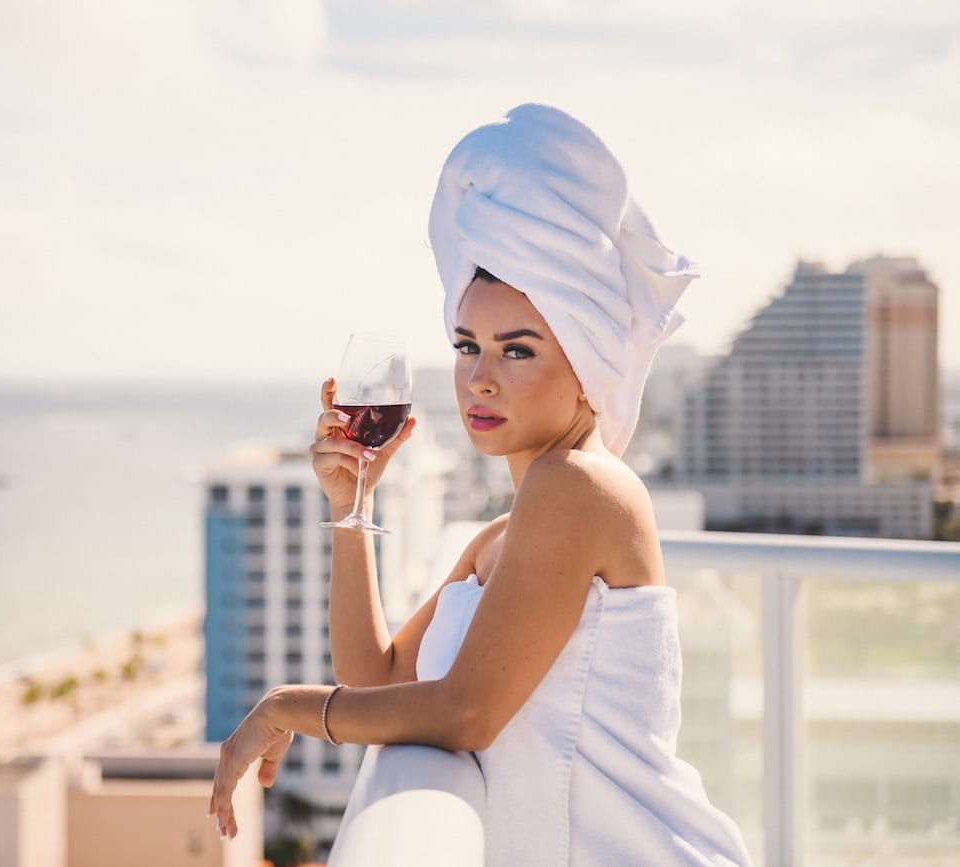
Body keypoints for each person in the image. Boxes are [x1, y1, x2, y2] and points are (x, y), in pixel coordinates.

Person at [209, 103, 753, 866]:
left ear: (586, 366)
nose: (480, 378)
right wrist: (352, 507)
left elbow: (464, 713)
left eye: (518, 350)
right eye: (467, 345)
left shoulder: (582, 485)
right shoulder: (504, 532)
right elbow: (379, 676)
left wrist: (284, 708)